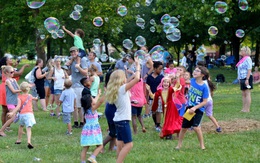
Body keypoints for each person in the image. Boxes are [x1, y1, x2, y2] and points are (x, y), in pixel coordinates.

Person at [106, 57, 140, 163]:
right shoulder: (122, 89)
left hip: (118, 119)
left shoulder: (117, 89)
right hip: (123, 121)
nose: (126, 78)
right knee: (129, 144)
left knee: (120, 143)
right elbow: (137, 79)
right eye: (125, 77)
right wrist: (138, 67)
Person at [176, 66, 209, 150]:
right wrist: (178, 76)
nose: (195, 71)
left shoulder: (204, 87)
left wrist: (195, 108)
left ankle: (202, 146)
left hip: (198, 109)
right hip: (189, 108)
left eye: (197, 71)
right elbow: (181, 82)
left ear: (202, 75)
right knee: (183, 128)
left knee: (196, 127)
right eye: (195, 70)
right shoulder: (192, 81)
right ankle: (179, 145)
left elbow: (205, 101)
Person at [0, 54, 29, 127]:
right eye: (10, 59)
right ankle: (5, 126)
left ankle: (7, 126)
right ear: (6, 61)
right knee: (5, 110)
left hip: (12, 88)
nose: (11, 60)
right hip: (6, 90)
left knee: (9, 110)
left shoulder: (10, 69)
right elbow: (19, 73)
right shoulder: (6, 69)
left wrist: (15, 66)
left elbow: (13, 74)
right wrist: (24, 66)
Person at [8, 82, 38, 149]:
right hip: (29, 114)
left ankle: (18, 140)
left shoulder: (19, 97)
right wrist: (36, 99)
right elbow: (34, 98)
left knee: (21, 126)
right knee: (28, 128)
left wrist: (12, 113)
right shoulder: (30, 96)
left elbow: (18, 106)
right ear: (28, 89)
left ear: (21, 89)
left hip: (22, 114)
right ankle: (29, 141)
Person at [80, 92, 105, 163]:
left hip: (87, 131)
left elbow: (96, 101)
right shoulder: (93, 109)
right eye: (92, 99)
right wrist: (105, 93)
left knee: (85, 148)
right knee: (100, 146)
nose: (94, 99)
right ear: (90, 103)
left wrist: (99, 94)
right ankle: (92, 157)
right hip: (93, 131)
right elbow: (100, 102)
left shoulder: (86, 110)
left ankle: (82, 161)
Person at [67, 46, 88, 128]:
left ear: (78, 52)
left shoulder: (83, 60)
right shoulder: (71, 61)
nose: (73, 53)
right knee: (74, 105)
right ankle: (76, 122)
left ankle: (82, 122)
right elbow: (69, 73)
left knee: (80, 106)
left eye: (75, 52)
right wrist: (67, 67)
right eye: (72, 52)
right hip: (73, 85)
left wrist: (79, 67)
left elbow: (85, 73)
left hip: (80, 85)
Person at [0, 65, 21, 136]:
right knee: (13, 117)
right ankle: (1, 130)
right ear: (6, 73)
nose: (13, 73)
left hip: (16, 100)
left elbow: (18, 88)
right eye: (11, 72)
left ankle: (20, 130)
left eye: (14, 71)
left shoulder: (14, 80)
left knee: (20, 115)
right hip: (10, 101)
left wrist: (26, 86)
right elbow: (14, 91)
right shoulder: (7, 81)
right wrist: (23, 89)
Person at [146, 61, 164, 131]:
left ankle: (158, 125)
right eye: (159, 68)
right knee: (153, 111)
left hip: (159, 97)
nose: (161, 70)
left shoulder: (161, 77)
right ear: (155, 68)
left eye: (162, 69)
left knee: (158, 111)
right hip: (151, 97)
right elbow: (147, 88)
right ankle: (156, 123)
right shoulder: (149, 77)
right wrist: (146, 97)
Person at [102, 69, 117, 153]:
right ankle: (101, 145)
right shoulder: (111, 87)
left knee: (113, 131)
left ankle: (111, 148)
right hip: (112, 110)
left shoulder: (109, 86)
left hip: (110, 110)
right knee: (113, 132)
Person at [236, 46, 253, 113]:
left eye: (242, 50)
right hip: (242, 77)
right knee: (243, 93)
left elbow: (249, 69)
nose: (241, 51)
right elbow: (239, 69)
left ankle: (247, 109)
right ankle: (243, 108)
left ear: (246, 52)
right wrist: (239, 78)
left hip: (247, 77)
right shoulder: (242, 59)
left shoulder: (248, 59)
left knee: (247, 93)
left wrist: (247, 79)